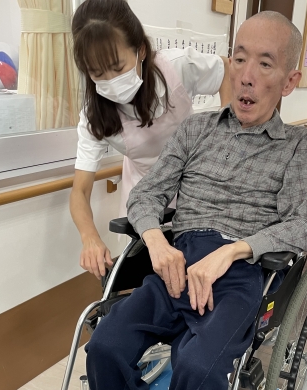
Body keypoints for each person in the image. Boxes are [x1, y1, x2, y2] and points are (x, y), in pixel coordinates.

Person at [65, 11, 307, 390]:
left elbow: (303, 226)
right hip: (176, 260)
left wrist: (233, 252)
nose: (246, 75)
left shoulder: (299, 148)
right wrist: (158, 243)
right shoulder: (197, 130)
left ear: (289, 80)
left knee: (199, 363)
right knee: (107, 342)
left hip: (241, 270)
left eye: (265, 64)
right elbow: (148, 196)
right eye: (240, 59)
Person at [70, 0, 231, 279]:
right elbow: (79, 191)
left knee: (202, 268)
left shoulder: (177, 67)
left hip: (197, 183)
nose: (110, 80)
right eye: (97, 73)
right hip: (146, 195)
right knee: (152, 274)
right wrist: (90, 237)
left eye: (117, 67)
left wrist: (228, 132)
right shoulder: (94, 116)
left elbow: (226, 69)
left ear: (141, 50)